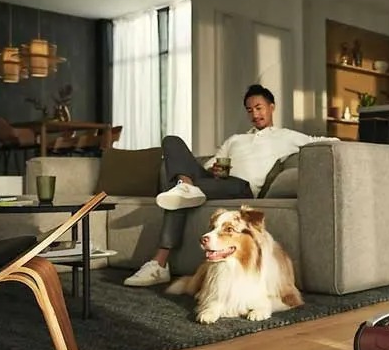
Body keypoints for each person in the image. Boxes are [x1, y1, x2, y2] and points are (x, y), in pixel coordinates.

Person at [123, 84, 336, 287]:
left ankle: (159, 262)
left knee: (178, 196)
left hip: (242, 188)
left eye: (259, 108)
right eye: (249, 110)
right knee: (171, 140)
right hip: (215, 182)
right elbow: (208, 166)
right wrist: (213, 169)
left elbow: (325, 141)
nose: (255, 114)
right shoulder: (235, 140)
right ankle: (184, 185)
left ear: (272, 107)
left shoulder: (288, 137)